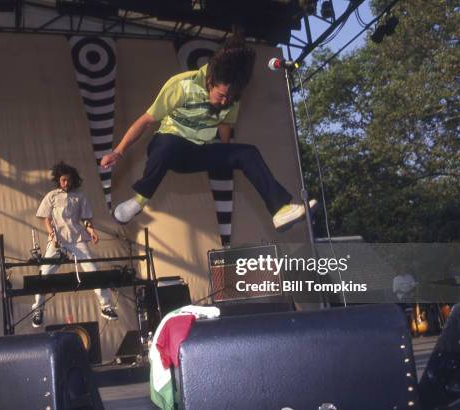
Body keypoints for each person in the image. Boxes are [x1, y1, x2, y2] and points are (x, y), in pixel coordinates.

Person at [100, 34, 317, 230]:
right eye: (221, 95)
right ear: (210, 81)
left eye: (230, 98)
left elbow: (225, 126)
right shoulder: (181, 85)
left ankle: (280, 210)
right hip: (167, 145)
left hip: (198, 151)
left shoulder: (232, 98)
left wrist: (224, 154)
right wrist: (118, 151)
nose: (225, 101)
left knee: (247, 153)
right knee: (169, 144)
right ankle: (139, 200)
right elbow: (146, 120)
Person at [32, 161, 118, 328]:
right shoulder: (52, 196)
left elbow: (85, 219)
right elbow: (46, 219)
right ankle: (38, 310)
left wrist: (91, 231)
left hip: (77, 239)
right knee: (44, 274)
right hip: (58, 240)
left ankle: (106, 306)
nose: (66, 183)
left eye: (69, 180)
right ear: (59, 180)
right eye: (63, 180)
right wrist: (51, 234)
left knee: (92, 270)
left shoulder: (80, 196)